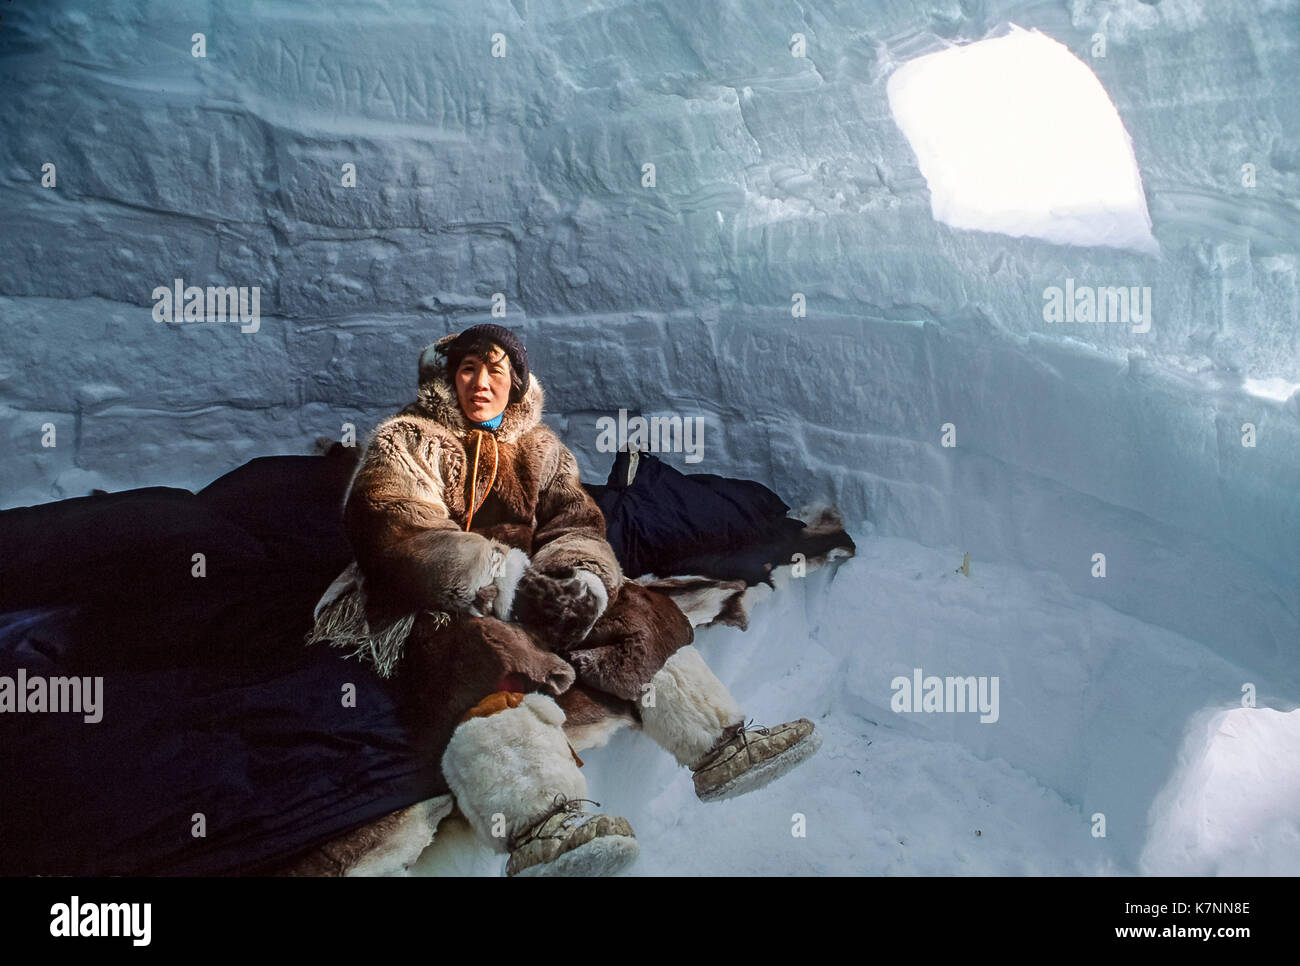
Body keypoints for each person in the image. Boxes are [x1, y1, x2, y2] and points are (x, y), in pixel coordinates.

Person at [309, 323, 821, 876]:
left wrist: (581, 582)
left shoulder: (540, 451)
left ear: (517, 383)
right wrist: (502, 580)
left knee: (631, 606)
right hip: (423, 599)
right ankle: (541, 827)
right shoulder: (407, 440)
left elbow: (575, 524)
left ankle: (719, 748)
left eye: (495, 371)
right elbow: (394, 528)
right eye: (467, 369)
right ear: (447, 378)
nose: (481, 383)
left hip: (526, 589)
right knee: (481, 651)